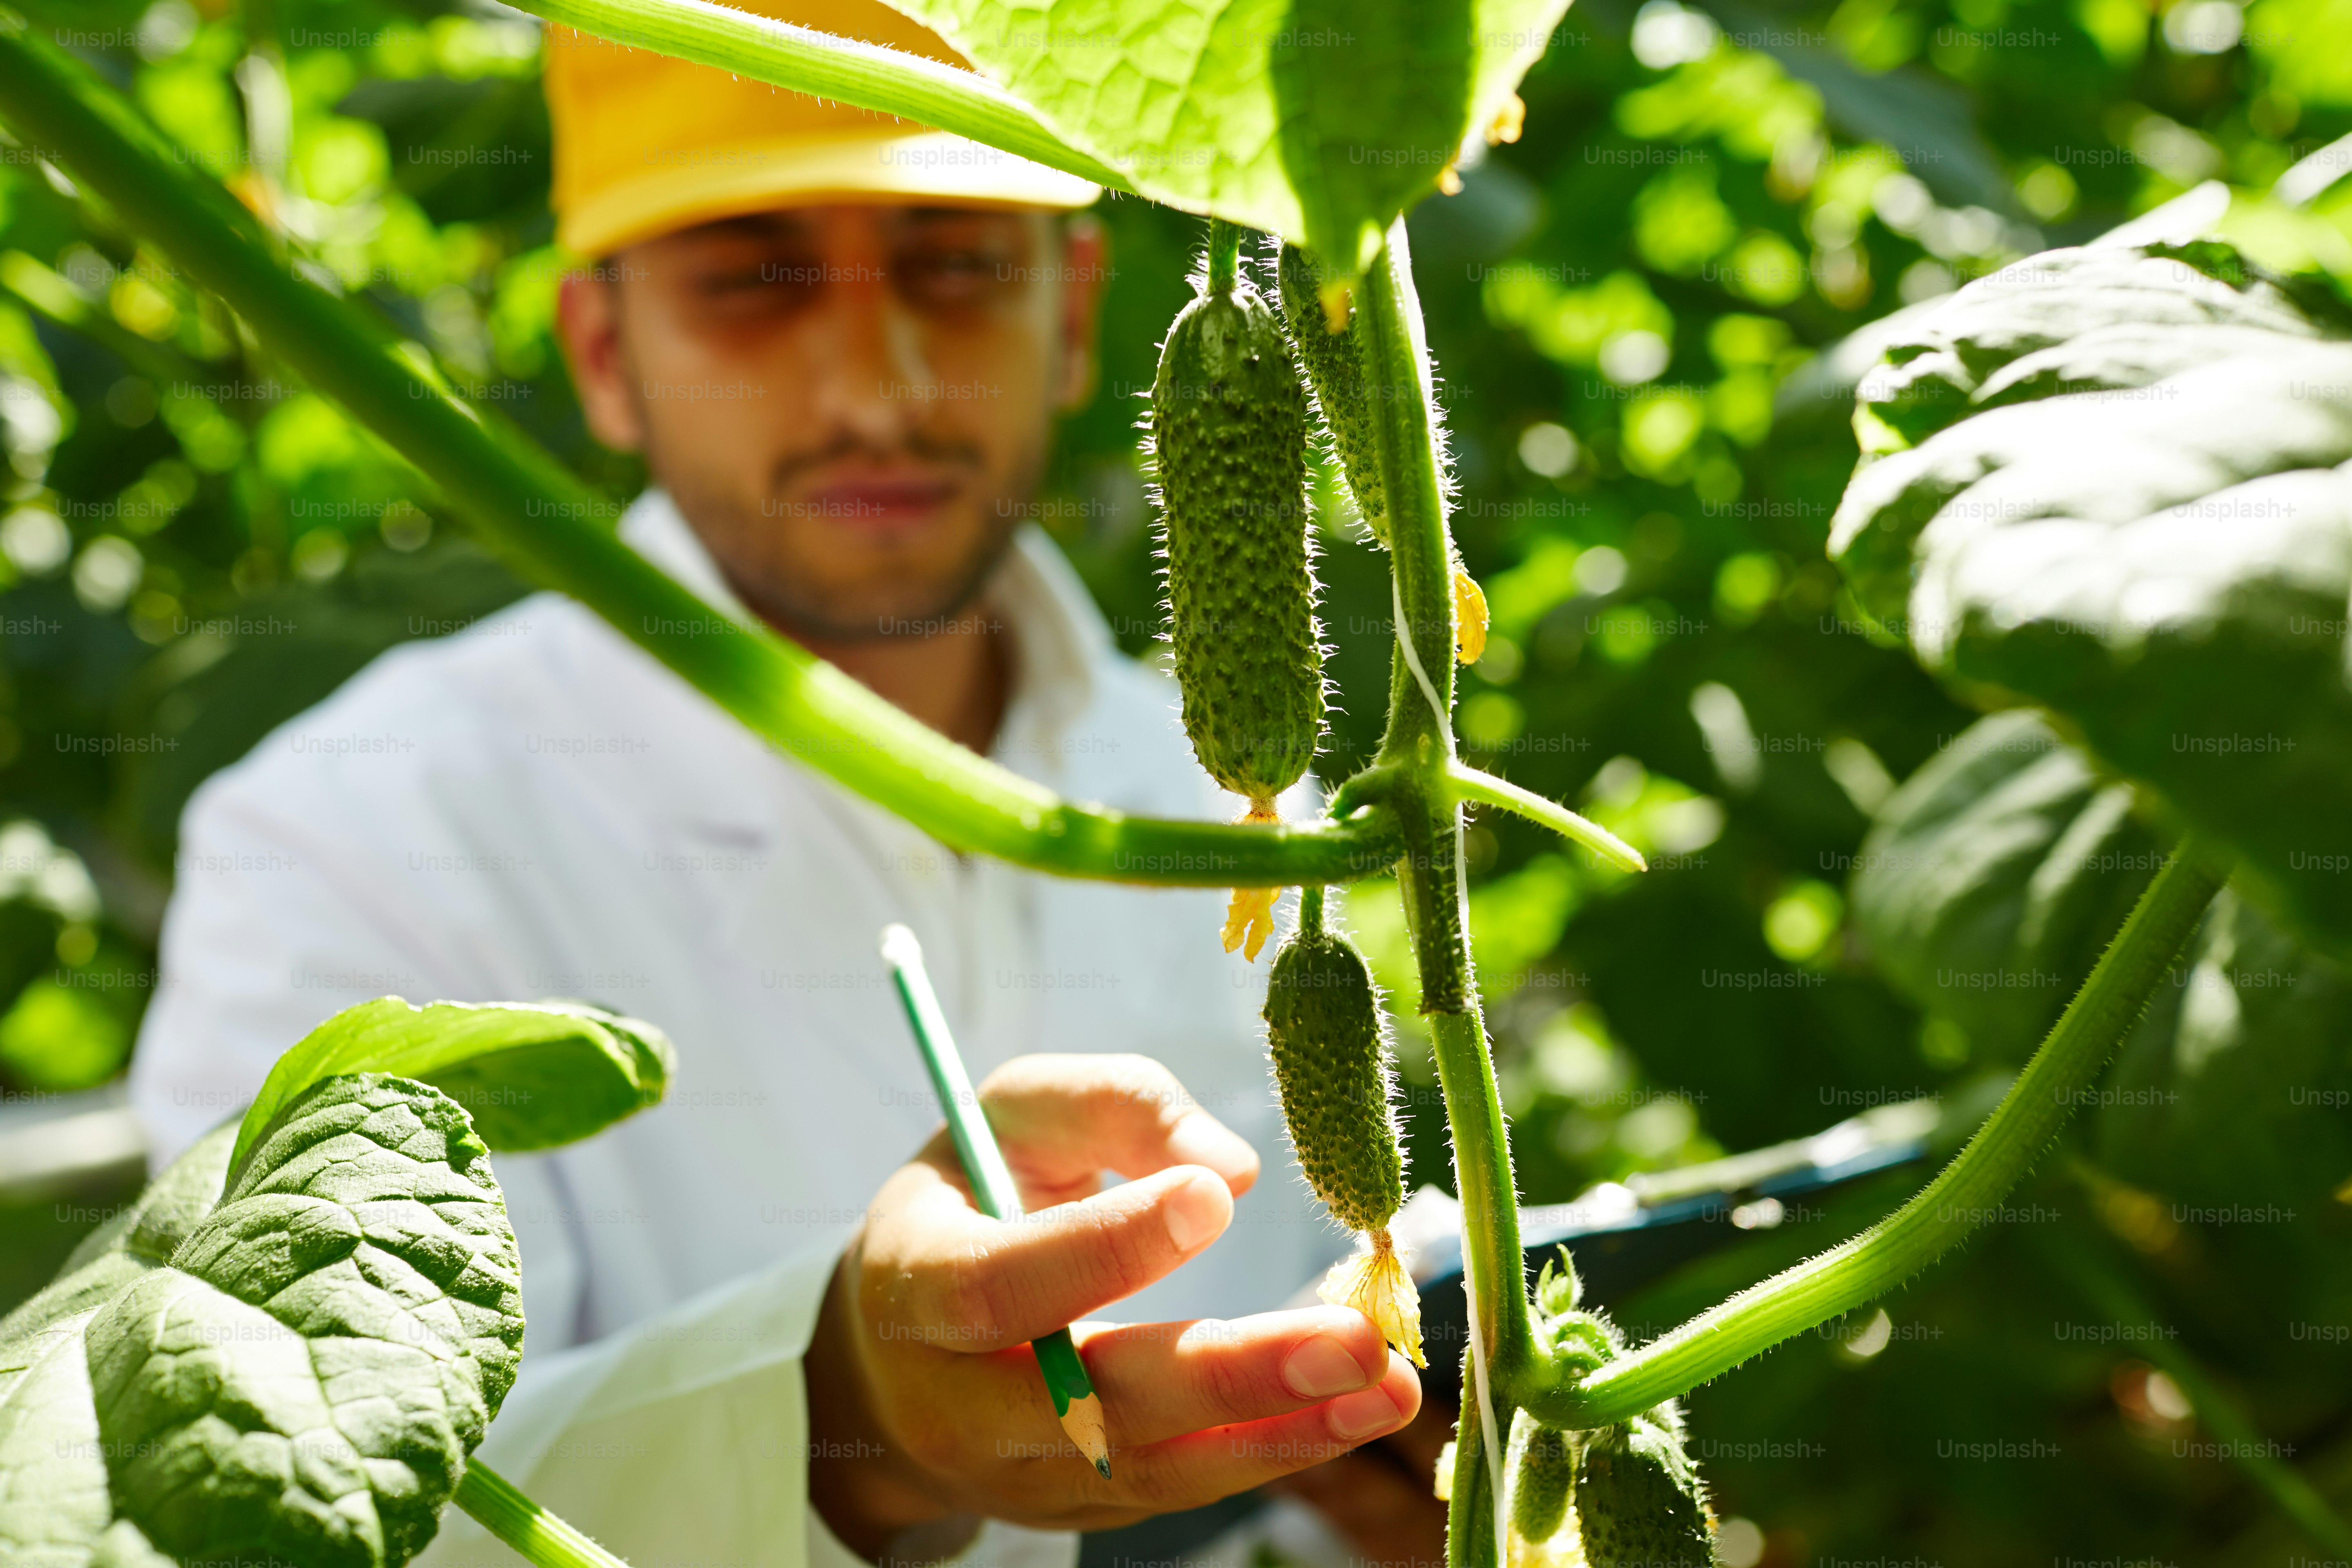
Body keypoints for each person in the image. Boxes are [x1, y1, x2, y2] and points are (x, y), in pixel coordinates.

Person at [127, 3, 1441, 1565]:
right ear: (606, 354)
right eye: (753, 280)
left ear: (1076, 315)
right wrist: (844, 1423)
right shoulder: (345, 838)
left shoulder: (1197, 778)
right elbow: (288, 1512)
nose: (874, 386)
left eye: (956, 263)